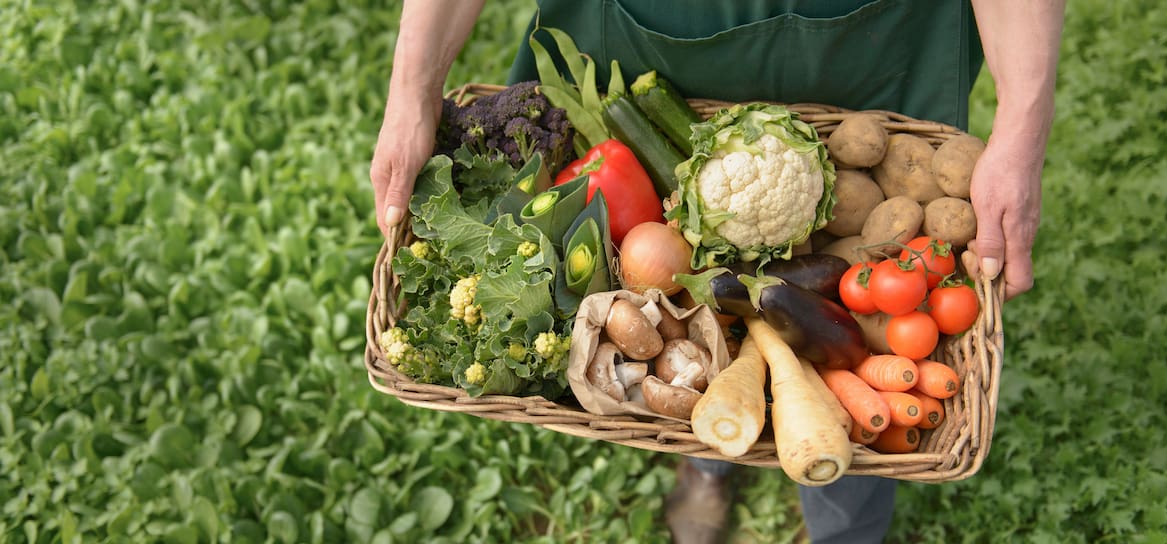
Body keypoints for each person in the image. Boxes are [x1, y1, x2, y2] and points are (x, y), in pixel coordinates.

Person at [370, 1, 1065, 542]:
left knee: (851, 370)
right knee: (711, 336)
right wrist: (411, 86)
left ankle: (846, 515)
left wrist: (1025, 124)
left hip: (868, 43)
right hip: (646, 30)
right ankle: (708, 452)